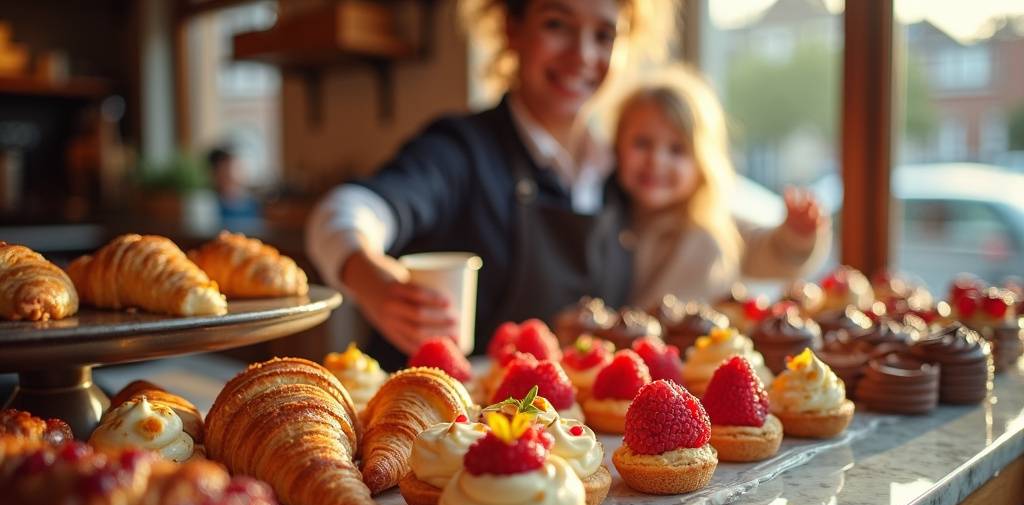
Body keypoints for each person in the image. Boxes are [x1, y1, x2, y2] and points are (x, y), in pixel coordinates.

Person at [307, 0, 660, 368]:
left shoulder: (622, 173)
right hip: (431, 415)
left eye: (604, 35)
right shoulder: (461, 149)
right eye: (556, 25)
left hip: (562, 424)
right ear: (512, 28)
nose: (582, 55)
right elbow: (345, 209)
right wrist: (371, 280)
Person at [611, 66, 831, 311]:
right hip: (632, 345)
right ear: (616, 145)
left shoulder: (713, 226)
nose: (656, 161)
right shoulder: (609, 221)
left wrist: (797, 235)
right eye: (642, 143)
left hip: (705, 346)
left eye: (677, 150)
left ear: (703, 162)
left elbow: (772, 254)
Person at [207, 146, 261, 225]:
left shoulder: (253, 203)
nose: (231, 175)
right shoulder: (209, 204)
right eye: (224, 171)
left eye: (237, 169)